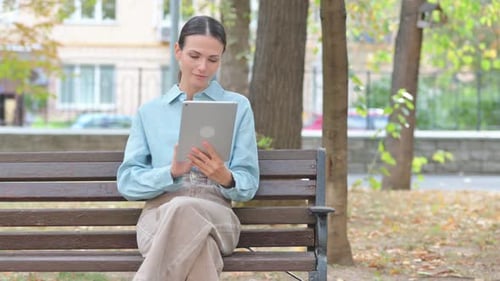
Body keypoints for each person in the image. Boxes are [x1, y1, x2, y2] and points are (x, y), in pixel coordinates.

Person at [116, 15, 260, 281]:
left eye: (213, 59)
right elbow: (127, 184)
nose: (203, 67)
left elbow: (249, 184)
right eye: (194, 56)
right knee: (199, 245)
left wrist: (225, 177)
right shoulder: (150, 112)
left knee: (184, 208)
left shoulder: (238, 107)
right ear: (178, 51)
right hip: (158, 221)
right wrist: (170, 173)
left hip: (218, 218)